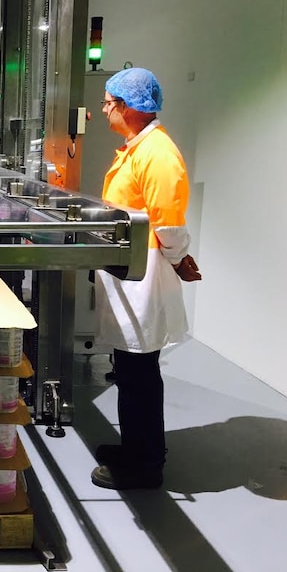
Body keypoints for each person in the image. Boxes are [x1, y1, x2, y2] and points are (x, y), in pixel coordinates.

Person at [90, 67, 202, 490]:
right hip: (130, 273)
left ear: (130, 107)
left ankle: (145, 464)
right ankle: (134, 446)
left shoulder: (158, 153)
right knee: (129, 369)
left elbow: (169, 226)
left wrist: (178, 259)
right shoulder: (137, 149)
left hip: (145, 276)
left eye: (108, 102)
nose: (103, 109)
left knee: (139, 375)